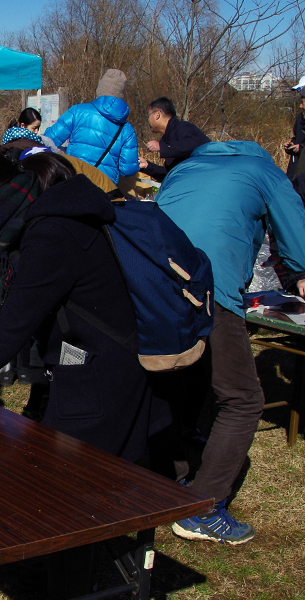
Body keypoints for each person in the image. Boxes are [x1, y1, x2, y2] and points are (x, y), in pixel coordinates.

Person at [0, 146, 166, 463]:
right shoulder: (33, 222)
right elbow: (16, 307)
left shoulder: (50, 233)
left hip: (102, 377)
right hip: (81, 370)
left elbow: (12, 328)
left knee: (85, 487)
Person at [154, 140, 305, 545]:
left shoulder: (184, 169)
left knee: (175, 378)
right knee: (243, 399)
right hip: (210, 287)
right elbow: (298, 239)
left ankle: (174, 473)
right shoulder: (264, 171)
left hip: (155, 286)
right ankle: (204, 507)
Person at [44, 69, 139, 185]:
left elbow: (48, 139)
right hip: (105, 186)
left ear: (100, 90)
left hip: (75, 178)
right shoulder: (126, 128)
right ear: (120, 95)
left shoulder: (77, 111)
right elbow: (128, 169)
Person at [138, 97, 209, 181]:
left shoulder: (182, 127)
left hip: (207, 178)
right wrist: (147, 166)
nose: (148, 121)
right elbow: (170, 174)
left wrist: (161, 147)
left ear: (158, 114)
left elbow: (193, 145)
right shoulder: (167, 139)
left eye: (148, 116)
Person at [284, 85, 305, 181]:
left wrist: (300, 148)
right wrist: (291, 145)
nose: (301, 105)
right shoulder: (300, 118)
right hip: (295, 169)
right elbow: (297, 137)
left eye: (303, 102)